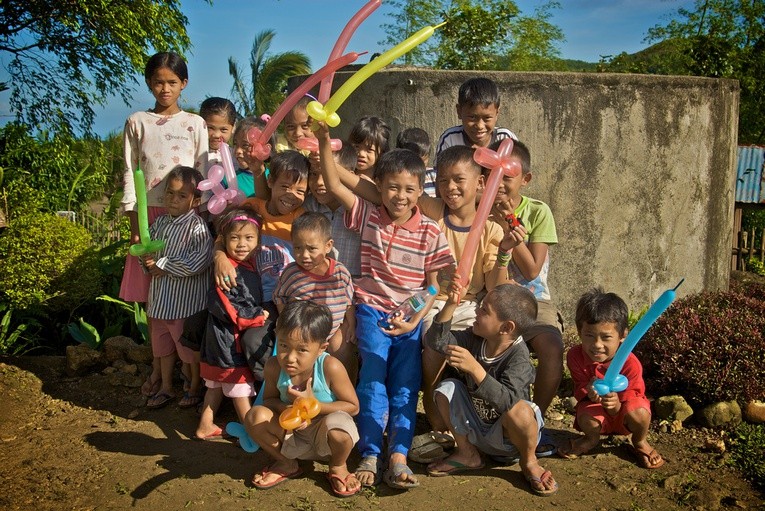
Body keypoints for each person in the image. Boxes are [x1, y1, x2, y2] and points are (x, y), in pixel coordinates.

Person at [318, 123, 455, 490]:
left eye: (410, 189)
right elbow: (333, 186)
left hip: (409, 317)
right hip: (372, 310)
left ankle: (398, 454)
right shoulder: (367, 215)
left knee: (406, 385)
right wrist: (321, 142)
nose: (400, 195)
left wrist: (416, 319)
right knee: (373, 377)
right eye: (392, 187)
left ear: (419, 191)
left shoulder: (430, 231)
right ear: (379, 186)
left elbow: (432, 285)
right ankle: (369, 452)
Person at [423, 282, 559, 497]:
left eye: (484, 310)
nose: (476, 311)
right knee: (447, 389)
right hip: (477, 432)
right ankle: (467, 453)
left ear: (506, 328)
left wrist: (476, 370)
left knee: (522, 411)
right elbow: (437, 342)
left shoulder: (519, 358)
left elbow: (509, 402)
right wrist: (450, 305)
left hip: (509, 440)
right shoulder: (475, 337)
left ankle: (529, 461)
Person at [246, 301, 360, 496]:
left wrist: (313, 406)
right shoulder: (274, 366)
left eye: (301, 350)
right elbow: (269, 401)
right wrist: (289, 409)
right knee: (255, 416)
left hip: (326, 437)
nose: (289, 357)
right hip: (292, 435)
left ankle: (338, 466)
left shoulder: (330, 367)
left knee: (340, 425)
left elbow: (353, 407)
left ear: (321, 348)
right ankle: (286, 462)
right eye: (283, 345)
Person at [120, 51, 208, 306]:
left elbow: (202, 174)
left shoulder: (195, 123)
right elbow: (129, 172)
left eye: (172, 82)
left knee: (179, 284)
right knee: (150, 287)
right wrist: (135, 228)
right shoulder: (137, 122)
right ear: (149, 82)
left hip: (185, 217)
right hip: (148, 217)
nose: (165, 89)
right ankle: (154, 344)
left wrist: (199, 220)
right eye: (159, 82)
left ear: (184, 83)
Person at [487, 140, 563, 421]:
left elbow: (532, 270)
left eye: (507, 176)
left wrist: (509, 220)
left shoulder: (538, 212)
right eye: (491, 174)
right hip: (492, 296)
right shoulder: (479, 209)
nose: (499, 183)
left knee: (552, 348)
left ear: (525, 179)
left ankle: (536, 420)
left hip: (535, 299)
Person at [213, 150, 308, 375]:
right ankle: (266, 387)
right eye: (284, 186)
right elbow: (224, 236)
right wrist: (219, 256)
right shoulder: (253, 208)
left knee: (292, 340)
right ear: (270, 182)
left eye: (300, 190)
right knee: (253, 341)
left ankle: (288, 387)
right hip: (254, 296)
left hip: (288, 299)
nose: (291, 195)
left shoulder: (300, 217)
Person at [558, 288, 665, 469]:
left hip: (625, 415)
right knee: (586, 416)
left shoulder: (631, 363)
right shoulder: (575, 356)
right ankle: (591, 439)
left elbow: (636, 395)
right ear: (579, 332)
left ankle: (639, 441)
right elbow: (579, 388)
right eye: (589, 336)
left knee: (639, 412)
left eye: (606, 337)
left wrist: (616, 404)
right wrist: (589, 392)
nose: (597, 345)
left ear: (623, 336)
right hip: (597, 412)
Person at [139, 166, 213, 409]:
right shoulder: (159, 223)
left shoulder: (198, 227)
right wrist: (147, 262)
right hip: (160, 301)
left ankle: (194, 386)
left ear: (196, 200)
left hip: (184, 305)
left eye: (182, 196)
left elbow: (198, 263)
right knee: (162, 349)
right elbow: (148, 253)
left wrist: (163, 264)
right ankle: (166, 387)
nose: (173, 200)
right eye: (170, 194)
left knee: (188, 352)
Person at [197, 207, 269, 440]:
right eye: (235, 238)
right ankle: (252, 430)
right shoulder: (229, 269)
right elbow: (231, 306)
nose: (241, 244)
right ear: (224, 239)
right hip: (228, 339)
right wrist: (258, 316)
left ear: (258, 241)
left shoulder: (245, 264)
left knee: (216, 384)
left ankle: (205, 424)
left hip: (220, 336)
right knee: (239, 385)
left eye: (249, 238)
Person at [272, 212, 355, 378]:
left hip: (333, 329)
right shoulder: (291, 273)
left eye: (311, 249)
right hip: (301, 331)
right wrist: (286, 320)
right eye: (298, 248)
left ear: (328, 246)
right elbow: (279, 297)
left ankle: (345, 390)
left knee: (342, 349)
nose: (304, 255)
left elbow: (349, 302)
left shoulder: (340, 273)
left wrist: (351, 325)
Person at [434, 77, 516, 165]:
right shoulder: (450, 139)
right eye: (472, 117)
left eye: (487, 118)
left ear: (497, 113)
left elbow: (516, 173)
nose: (480, 126)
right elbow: (440, 174)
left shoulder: (505, 139)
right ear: (459, 111)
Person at [230, 115, 274, 199]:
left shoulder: (274, 178)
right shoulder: (227, 180)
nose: (238, 151)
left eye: (245, 145)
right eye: (235, 144)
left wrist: (258, 172)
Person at [396, 127, 436, 198]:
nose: (418, 166)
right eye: (412, 162)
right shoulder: (394, 176)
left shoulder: (434, 176)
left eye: (423, 161)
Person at [347, 116, 390, 181]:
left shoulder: (384, 180)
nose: (361, 154)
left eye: (370, 150)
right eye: (356, 147)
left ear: (381, 152)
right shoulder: (344, 171)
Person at [200, 97, 238, 164]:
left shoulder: (236, 156)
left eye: (223, 129)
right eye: (210, 128)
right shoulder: (195, 154)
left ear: (233, 127)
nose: (216, 135)